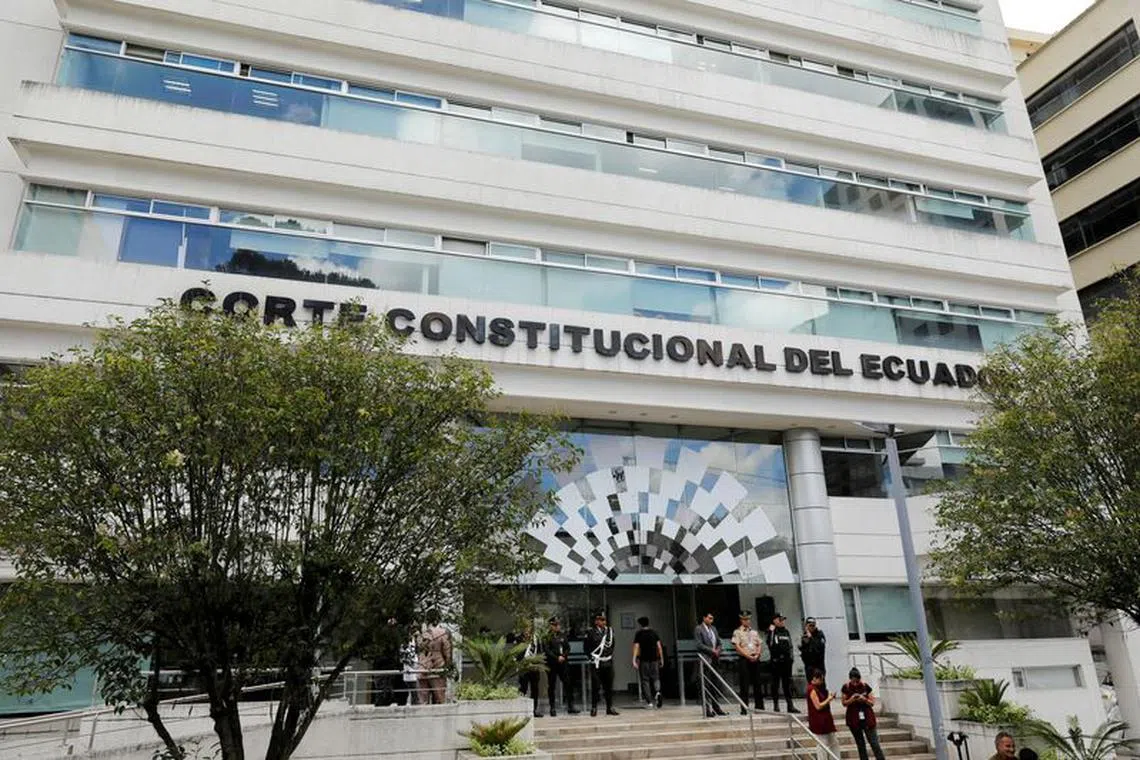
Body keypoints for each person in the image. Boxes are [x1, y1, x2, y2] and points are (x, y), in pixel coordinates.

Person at [841, 667, 886, 760]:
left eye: (857, 681)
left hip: (867, 717)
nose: (855, 683)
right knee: (860, 744)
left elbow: (872, 702)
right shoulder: (846, 687)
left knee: (874, 742)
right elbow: (844, 703)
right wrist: (852, 699)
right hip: (853, 718)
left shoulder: (865, 686)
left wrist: (864, 699)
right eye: (853, 681)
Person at [585, 610, 619, 716]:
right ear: (596, 621)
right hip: (596, 663)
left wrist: (607, 656)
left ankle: (610, 707)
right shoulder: (590, 632)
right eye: (601, 620)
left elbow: (612, 645)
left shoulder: (610, 631)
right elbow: (586, 648)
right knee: (596, 686)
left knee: (608, 686)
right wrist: (592, 657)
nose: (604, 622)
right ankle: (594, 707)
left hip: (607, 662)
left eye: (604, 620)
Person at [732, 610, 765, 713]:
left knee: (757, 683)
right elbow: (737, 646)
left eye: (748, 619)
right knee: (744, 685)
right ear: (741, 620)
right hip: (744, 660)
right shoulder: (737, 632)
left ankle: (759, 707)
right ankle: (744, 708)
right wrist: (747, 656)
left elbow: (759, 644)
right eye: (745, 619)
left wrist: (757, 654)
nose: (747, 621)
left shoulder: (754, 632)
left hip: (755, 659)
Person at [694, 612, 727, 717]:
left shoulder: (714, 629)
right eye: (709, 618)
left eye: (712, 618)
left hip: (715, 660)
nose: (711, 620)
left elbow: (719, 642)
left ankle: (716, 707)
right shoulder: (698, 629)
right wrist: (712, 651)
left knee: (715, 684)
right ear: (704, 618)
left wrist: (718, 650)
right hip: (705, 660)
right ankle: (707, 709)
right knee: (705, 686)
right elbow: (699, 644)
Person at [544, 616, 578, 716]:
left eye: (558, 625)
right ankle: (552, 708)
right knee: (552, 686)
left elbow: (568, 647)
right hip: (552, 664)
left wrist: (563, 656)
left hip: (563, 663)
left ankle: (571, 706)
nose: (557, 626)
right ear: (551, 626)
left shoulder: (562, 635)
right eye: (555, 625)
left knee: (568, 684)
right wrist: (556, 658)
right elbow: (547, 650)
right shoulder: (547, 637)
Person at [766, 614, 798, 713]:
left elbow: (790, 646)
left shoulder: (786, 631)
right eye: (780, 620)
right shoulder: (772, 632)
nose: (782, 622)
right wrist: (771, 631)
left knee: (787, 684)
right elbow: (770, 644)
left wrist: (791, 659)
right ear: (775, 621)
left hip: (787, 662)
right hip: (776, 662)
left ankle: (790, 705)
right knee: (775, 684)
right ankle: (776, 705)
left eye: (783, 620)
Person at [807, 670, 841, 760]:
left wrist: (829, 697)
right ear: (815, 678)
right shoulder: (811, 689)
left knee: (834, 742)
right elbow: (818, 706)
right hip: (819, 720)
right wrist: (829, 699)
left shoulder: (819, 689)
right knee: (822, 744)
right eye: (820, 679)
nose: (822, 682)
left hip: (826, 719)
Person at [632, 616, 664, 709]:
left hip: (644, 660)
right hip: (654, 659)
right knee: (656, 678)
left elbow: (636, 647)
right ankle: (658, 692)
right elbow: (659, 647)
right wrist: (661, 659)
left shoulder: (639, 634)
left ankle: (649, 701)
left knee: (645, 680)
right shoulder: (654, 633)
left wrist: (634, 659)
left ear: (640, 624)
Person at [417, 621, 452, 705]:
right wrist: (448, 664)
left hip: (422, 668)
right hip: (437, 668)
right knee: (439, 698)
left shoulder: (421, 634)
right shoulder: (443, 633)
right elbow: (447, 652)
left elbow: (418, 651)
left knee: (423, 701)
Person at [518, 622, 543, 717]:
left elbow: (540, 651)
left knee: (535, 689)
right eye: (525, 628)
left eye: (529, 628)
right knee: (523, 688)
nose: (527, 630)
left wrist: (537, 662)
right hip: (524, 667)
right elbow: (518, 653)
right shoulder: (520, 638)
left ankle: (534, 710)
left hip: (534, 667)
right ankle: (522, 710)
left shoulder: (536, 639)